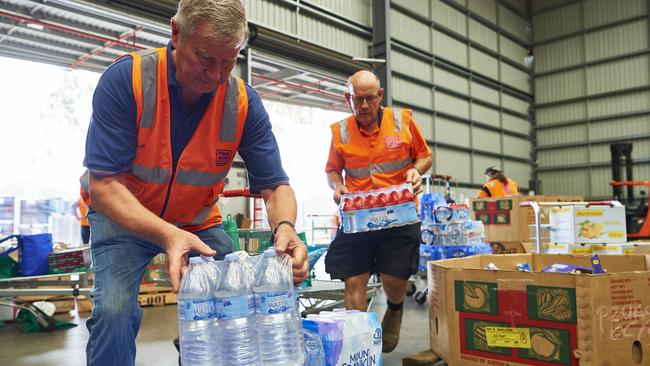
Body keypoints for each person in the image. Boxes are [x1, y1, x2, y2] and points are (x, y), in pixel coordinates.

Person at [81, 1, 308, 364]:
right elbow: (103, 186)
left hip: (197, 222)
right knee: (114, 311)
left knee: (237, 298)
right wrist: (169, 235)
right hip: (125, 218)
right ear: (176, 33)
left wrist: (285, 226)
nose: (216, 75)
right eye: (205, 58)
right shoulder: (128, 82)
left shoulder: (243, 103)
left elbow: (275, 184)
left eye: (228, 61)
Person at [324, 70, 433, 353]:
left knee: (393, 277)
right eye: (357, 100)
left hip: (399, 216)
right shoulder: (341, 131)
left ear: (380, 96)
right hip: (358, 217)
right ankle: (360, 349)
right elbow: (332, 170)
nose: (363, 106)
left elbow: (425, 156)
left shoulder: (402, 121)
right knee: (354, 278)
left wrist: (415, 170)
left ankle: (395, 308)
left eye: (369, 99)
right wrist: (337, 186)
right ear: (348, 98)